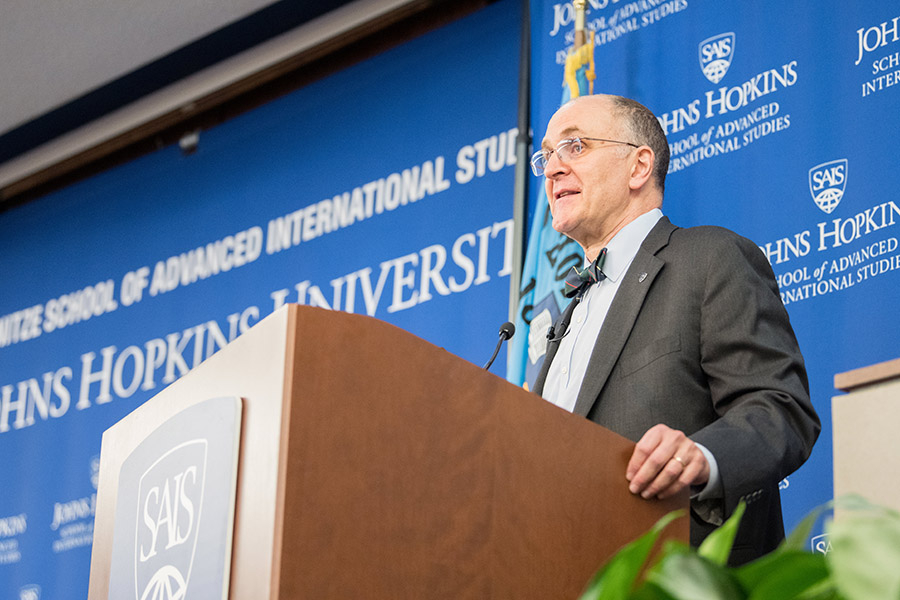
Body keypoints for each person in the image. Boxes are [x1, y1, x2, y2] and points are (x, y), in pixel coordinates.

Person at [530, 94, 820, 565]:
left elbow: (781, 410)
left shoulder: (709, 259)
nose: (552, 169)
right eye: (546, 155)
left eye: (575, 146)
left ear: (639, 166)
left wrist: (701, 458)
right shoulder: (565, 318)